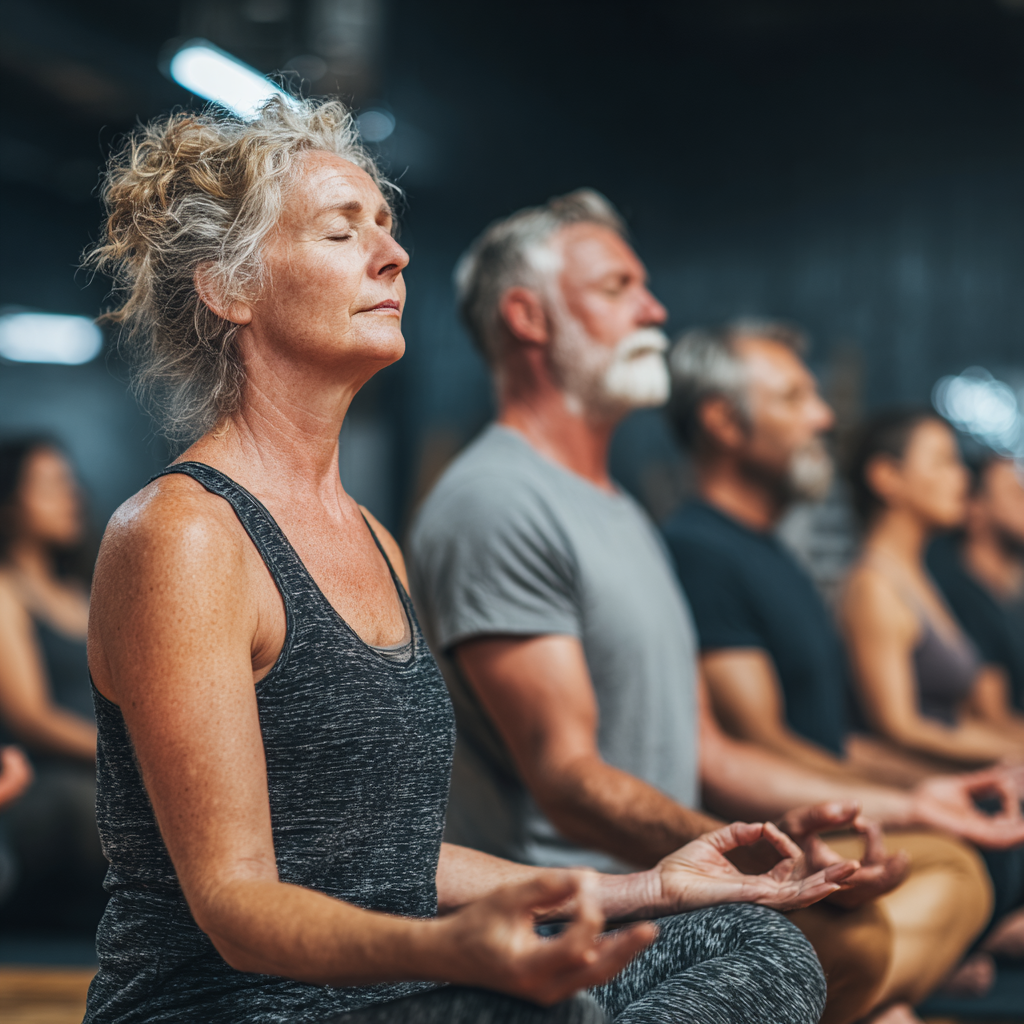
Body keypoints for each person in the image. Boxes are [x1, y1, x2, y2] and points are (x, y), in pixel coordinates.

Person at [80, 98, 845, 1024]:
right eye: (341, 231)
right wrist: (450, 951)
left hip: (399, 990)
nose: (393, 255)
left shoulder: (371, 536)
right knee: (536, 1015)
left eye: (388, 227)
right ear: (229, 290)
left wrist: (648, 887)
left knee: (751, 942)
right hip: (232, 1009)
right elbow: (237, 908)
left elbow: (390, 862)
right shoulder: (182, 535)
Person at [408, 194, 1015, 1024]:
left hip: (677, 879)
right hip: (595, 917)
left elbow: (713, 750)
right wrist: (750, 869)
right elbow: (568, 782)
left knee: (944, 867)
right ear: (528, 316)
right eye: (619, 286)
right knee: (880, 930)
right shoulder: (497, 499)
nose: (654, 309)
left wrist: (903, 805)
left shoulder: (620, 508)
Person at [661, 323, 1024, 992]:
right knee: (964, 864)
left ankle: (912, 972)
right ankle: (865, 984)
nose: (823, 417)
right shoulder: (700, 552)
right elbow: (756, 744)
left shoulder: (774, 554)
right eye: (796, 398)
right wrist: (903, 806)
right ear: (722, 421)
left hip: (836, 810)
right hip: (779, 837)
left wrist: (919, 794)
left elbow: (832, 738)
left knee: (983, 856)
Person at [843, 411, 1024, 765]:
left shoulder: (920, 577)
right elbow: (899, 728)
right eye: (943, 462)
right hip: (918, 801)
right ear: (887, 477)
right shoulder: (873, 587)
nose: (961, 478)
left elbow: (958, 722)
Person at [0, 437, 107, 929]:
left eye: (70, 482)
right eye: (50, 486)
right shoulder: (6, 592)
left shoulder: (82, 592)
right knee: (87, 804)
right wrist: (133, 758)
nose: (72, 496)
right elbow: (32, 719)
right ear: (9, 502)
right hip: (41, 783)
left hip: (103, 769)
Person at [928, 453, 1024, 714]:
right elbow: (992, 713)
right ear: (976, 510)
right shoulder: (956, 594)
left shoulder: (1011, 589)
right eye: (1016, 494)